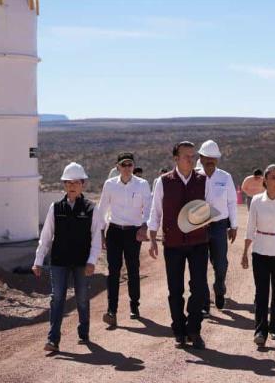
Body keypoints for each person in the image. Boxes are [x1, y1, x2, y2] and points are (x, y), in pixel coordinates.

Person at [147, 141, 212, 350]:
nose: (191, 160)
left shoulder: (203, 180)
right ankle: (179, 331)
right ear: (176, 159)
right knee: (175, 289)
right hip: (173, 243)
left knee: (200, 288)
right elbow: (156, 211)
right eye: (187, 156)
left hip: (198, 242)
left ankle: (194, 329)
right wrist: (152, 238)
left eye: (193, 156)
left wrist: (203, 218)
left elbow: (210, 208)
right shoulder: (163, 182)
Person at [32, 162, 102, 352]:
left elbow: (97, 238)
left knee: (82, 298)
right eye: (68, 182)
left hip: (82, 262)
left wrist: (91, 261)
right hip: (59, 261)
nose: (72, 186)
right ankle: (53, 339)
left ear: (83, 185)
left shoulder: (91, 209)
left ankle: (84, 332)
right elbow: (46, 237)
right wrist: (38, 261)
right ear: (64, 185)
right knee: (57, 298)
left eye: (76, 182)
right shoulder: (55, 208)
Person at [241, 164, 275, 347]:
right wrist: (244, 253)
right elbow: (250, 229)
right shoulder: (257, 201)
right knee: (261, 293)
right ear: (265, 180)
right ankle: (260, 330)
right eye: (273, 177)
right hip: (261, 252)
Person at [96, 152, 152, 327]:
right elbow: (102, 209)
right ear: (117, 167)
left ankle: (134, 306)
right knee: (113, 272)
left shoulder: (142, 184)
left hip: (133, 233)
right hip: (114, 232)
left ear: (133, 166)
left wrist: (144, 226)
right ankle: (111, 310)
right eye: (124, 165)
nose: (127, 168)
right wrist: (101, 232)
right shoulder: (110, 185)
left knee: (133, 270)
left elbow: (149, 208)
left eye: (130, 165)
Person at [196, 140, 239, 314]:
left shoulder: (225, 177)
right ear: (201, 157)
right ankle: (205, 303)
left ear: (218, 159)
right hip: (199, 226)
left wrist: (234, 225)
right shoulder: (194, 176)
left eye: (214, 158)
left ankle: (219, 287)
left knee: (220, 264)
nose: (210, 161)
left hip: (220, 226)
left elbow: (231, 202)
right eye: (207, 157)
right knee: (199, 265)